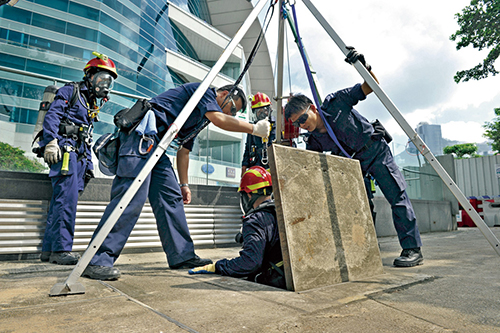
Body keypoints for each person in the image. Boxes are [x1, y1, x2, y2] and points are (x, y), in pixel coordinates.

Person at [82, 83, 271, 280]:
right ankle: (96, 259)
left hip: (157, 146)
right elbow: (219, 119)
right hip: (141, 137)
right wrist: (254, 129)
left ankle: (181, 255)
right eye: (232, 109)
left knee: (170, 197)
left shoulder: (198, 117)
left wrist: (184, 184)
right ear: (224, 94)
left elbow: (184, 151)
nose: (231, 114)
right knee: (129, 198)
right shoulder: (204, 91)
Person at [284, 47, 423, 267]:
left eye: (303, 118)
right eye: (297, 124)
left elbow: (372, 87)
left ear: (312, 108)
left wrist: (363, 67)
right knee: (359, 207)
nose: (302, 125)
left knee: (397, 197)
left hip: (376, 152)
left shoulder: (336, 102)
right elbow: (308, 168)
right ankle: (365, 251)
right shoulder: (314, 141)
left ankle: (412, 249)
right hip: (353, 165)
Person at [40, 52, 117, 265]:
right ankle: (61, 250)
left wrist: (89, 163)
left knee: (62, 201)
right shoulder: (71, 90)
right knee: (66, 201)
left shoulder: (91, 102)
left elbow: (87, 133)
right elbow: (53, 115)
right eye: (102, 78)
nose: (105, 84)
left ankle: (49, 251)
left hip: (80, 153)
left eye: (109, 80)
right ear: (90, 76)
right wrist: (51, 141)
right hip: (65, 150)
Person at [188, 166, 285, 289]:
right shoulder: (280, 213)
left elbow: (250, 263)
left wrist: (217, 266)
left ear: (249, 195)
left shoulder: (255, 220)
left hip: (273, 280)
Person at [241, 92, 276, 174]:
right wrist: (244, 166)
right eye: (258, 111)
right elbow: (248, 147)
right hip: (256, 165)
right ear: (254, 113)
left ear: (269, 110)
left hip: (272, 165)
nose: (262, 114)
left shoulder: (276, 127)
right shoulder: (253, 128)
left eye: (264, 110)